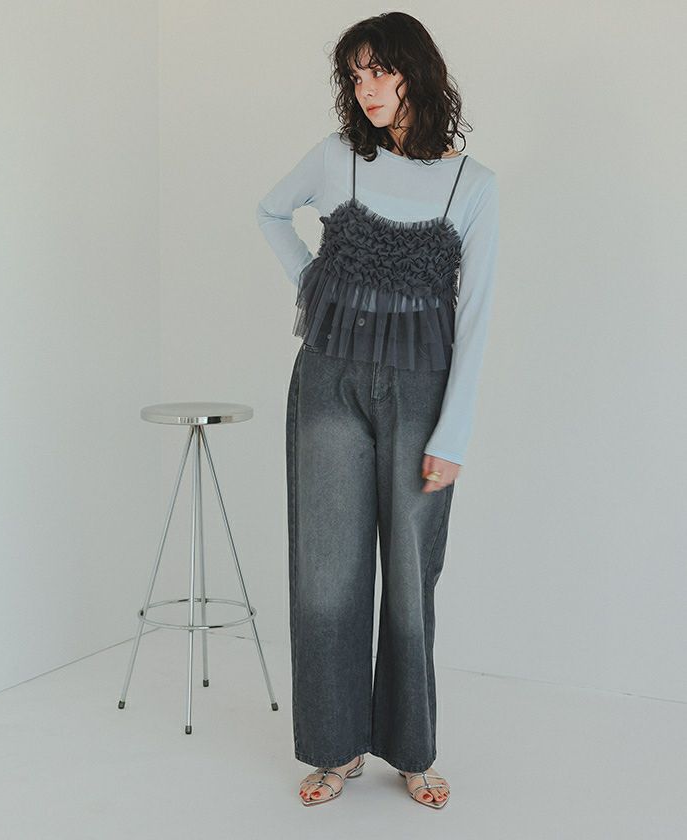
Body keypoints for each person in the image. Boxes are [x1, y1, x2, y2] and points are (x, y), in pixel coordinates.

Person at [256, 11, 499, 809]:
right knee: (326, 570)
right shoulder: (338, 159)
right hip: (330, 379)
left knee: (411, 574)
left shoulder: (474, 185)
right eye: (354, 75)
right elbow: (269, 211)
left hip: (423, 392)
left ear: (416, 72)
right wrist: (315, 285)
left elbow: (475, 316)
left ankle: (411, 749)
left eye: (380, 71)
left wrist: (454, 434)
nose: (366, 89)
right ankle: (335, 748)